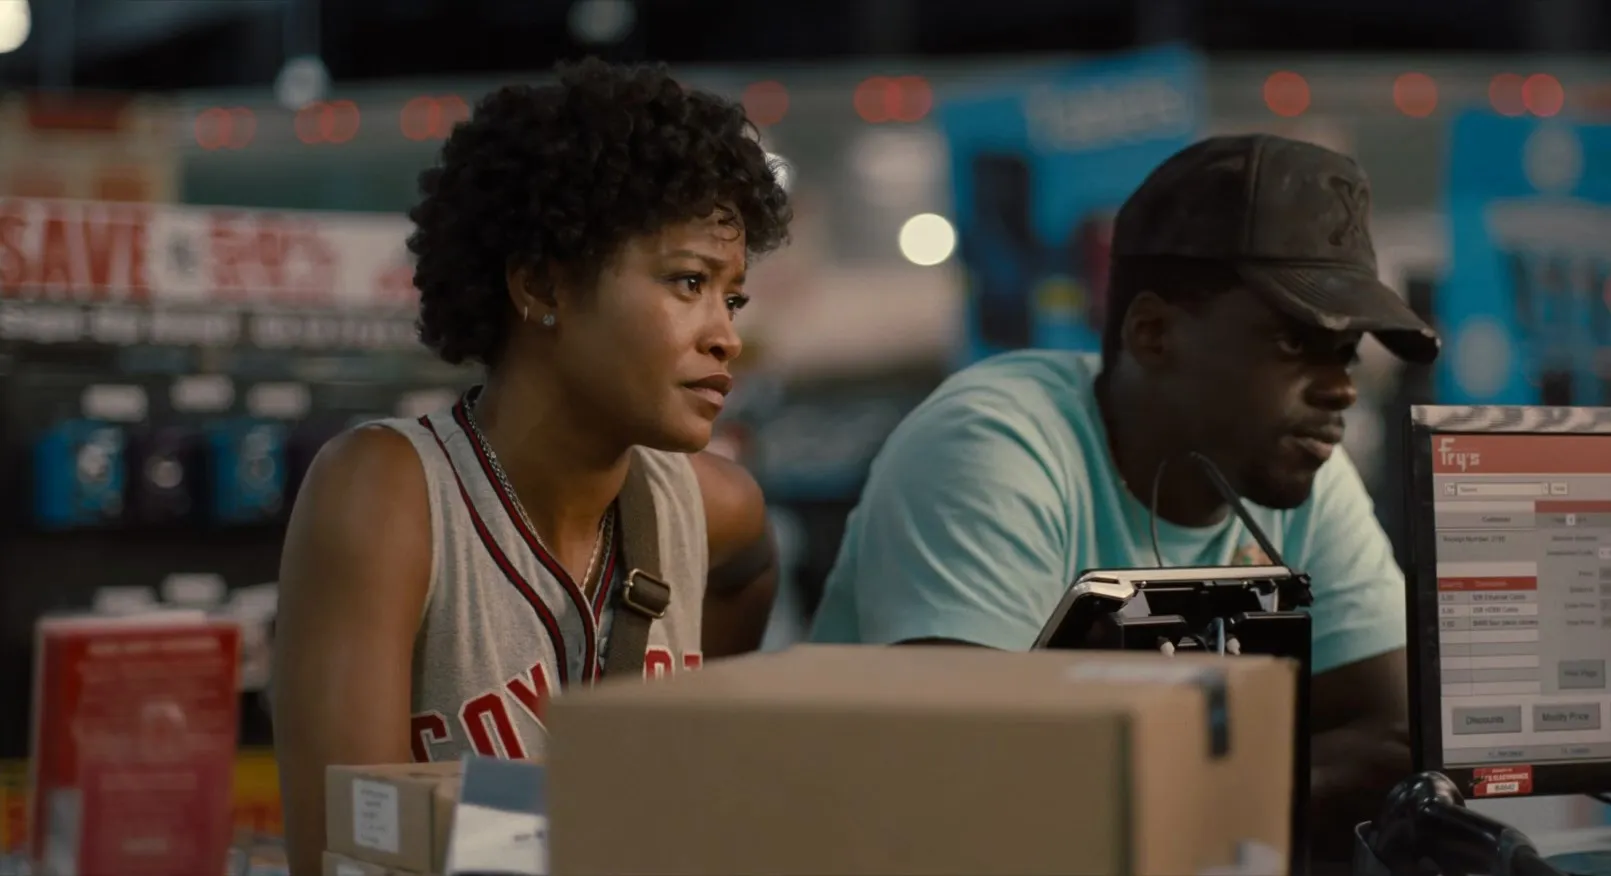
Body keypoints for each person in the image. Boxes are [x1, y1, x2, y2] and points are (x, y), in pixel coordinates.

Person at [809, 134, 1441, 858]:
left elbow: (1397, 739)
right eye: (1295, 344)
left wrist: (1123, 779)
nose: (1341, 390)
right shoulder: (993, 443)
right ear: (1153, 333)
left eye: (1346, 355)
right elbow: (969, 777)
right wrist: (1262, 771)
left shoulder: (1299, 467)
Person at [270, 59, 793, 876]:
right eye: (688, 282)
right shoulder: (388, 494)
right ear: (543, 284)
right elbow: (347, 850)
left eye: (732, 298)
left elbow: (750, 568)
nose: (724, 335)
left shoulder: (710, 506)